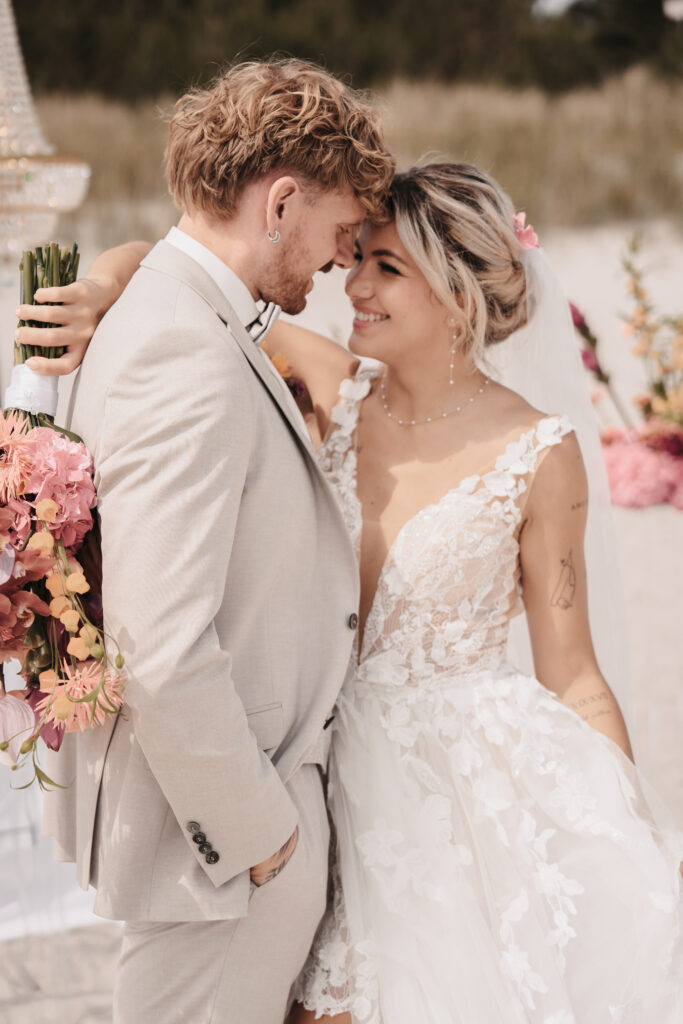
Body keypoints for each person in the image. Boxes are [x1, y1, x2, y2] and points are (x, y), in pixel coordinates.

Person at [24, 164, 682, 1021]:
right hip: (312, 765)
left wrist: (623, 830)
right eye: (357, 257)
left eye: (386, 268)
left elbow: (575, 674)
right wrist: (103, 283)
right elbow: (178, 270)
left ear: (458, 295)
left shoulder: (539, 451)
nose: (352, 284)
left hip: (450, 803)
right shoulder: (330, 387)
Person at [14, 58, 394, 1024]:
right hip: (220, 857)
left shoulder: (179, 311)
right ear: (279, 202)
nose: (340, 261)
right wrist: (260, 835)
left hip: (222, 849)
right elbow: (162, 645)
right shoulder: (183, 350)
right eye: (341, 232)